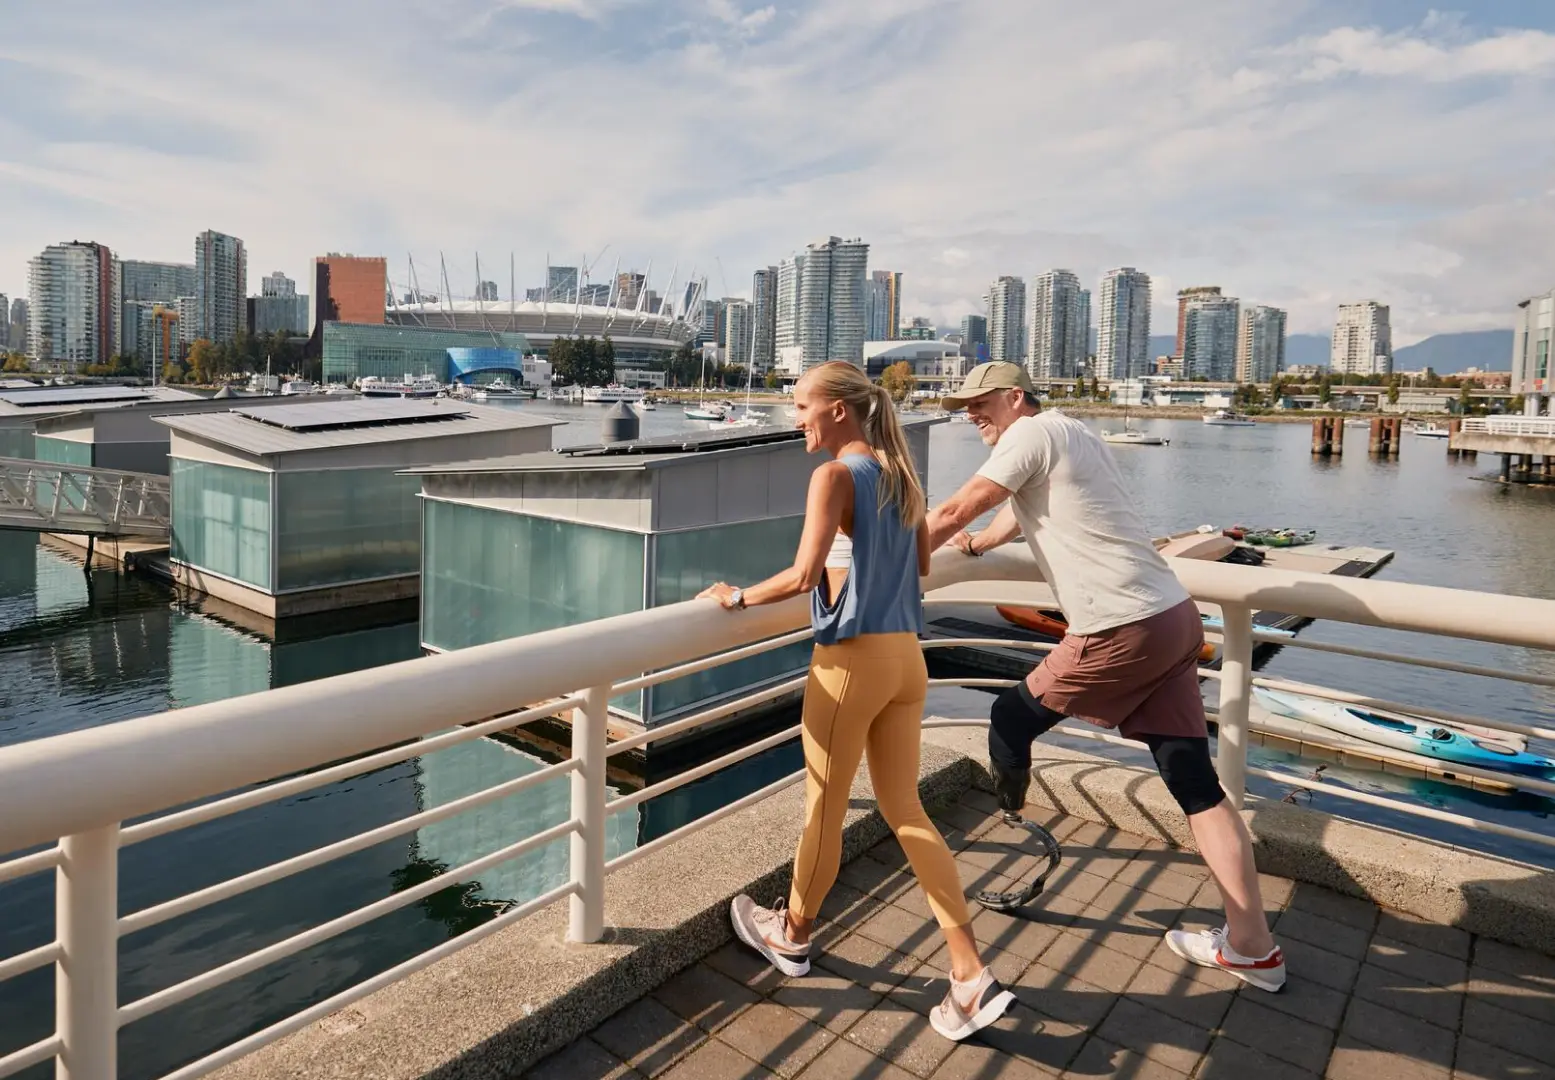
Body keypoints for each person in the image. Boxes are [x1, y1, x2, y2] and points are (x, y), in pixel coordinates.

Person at [924, 361, 1286, 992]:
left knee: (1011, 716)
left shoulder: (1028, 435)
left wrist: (878, 557)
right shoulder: (1072, 432)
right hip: (1172, 618)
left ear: (1015, 397)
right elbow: (1018, 509)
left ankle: (1010, 813)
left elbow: (959, 505)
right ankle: (1253, 947)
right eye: (961, 405)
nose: (969, 413)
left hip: (1120, 626)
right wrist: (980, 547)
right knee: (1196, 786)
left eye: (979, 402)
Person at [699, 362, 1016, 1041]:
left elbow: (803, 573)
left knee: (824, 805)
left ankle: (790, 934)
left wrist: (732, 598)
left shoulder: (833, 476)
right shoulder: (900, 476)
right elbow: (922, 566)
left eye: (801, 404)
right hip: (906, 658)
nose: (794, 417)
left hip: (852, 662)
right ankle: (968, 974)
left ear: (838, 410)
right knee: (906, 810)